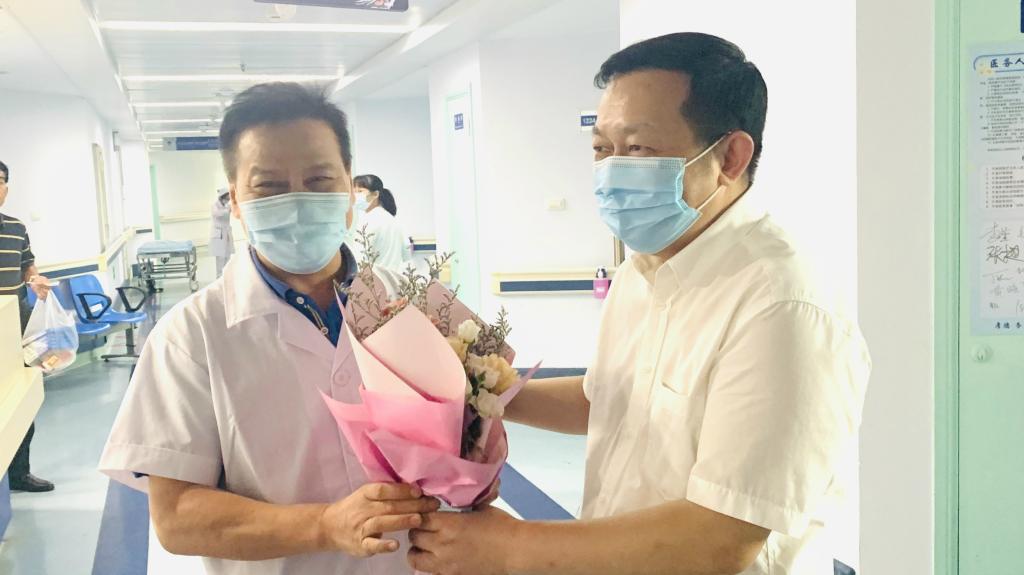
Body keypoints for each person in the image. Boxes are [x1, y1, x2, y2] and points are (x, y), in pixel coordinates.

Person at [407, 33, 870, 575]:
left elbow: (722, 538)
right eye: (602, 149)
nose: (611, 170)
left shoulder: (782, 305)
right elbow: (604, 402)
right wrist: (479, 392)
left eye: (638, 149)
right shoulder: (641, 272)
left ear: (730, 156)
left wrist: (510, 547)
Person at [98, 83, 439, 575]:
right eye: (270, 186)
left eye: (319, 180)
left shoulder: (414, 301)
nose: (297, 202)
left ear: (350, 190)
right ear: (236, 200)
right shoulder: (190, 337)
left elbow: (467, 435)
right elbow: (176, 518)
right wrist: (324, 525)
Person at [0, 160, 54, 493]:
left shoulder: (16, 228)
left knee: (22, 397)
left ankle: (20, 473)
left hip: (16, 320)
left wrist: (35, 280)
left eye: (0, 181)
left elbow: (27, 266)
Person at [350, 174, 412, 273]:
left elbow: (359, 259)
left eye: (360, 191)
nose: (355, 196)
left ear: (375, 194)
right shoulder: (394, 221)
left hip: (373, 280)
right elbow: (407, 256)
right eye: (354, 192)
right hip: (394, 279)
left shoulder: (367, 222)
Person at [209, 187, 234, 278]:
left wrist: (229, 209)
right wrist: (227, 210)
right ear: (222, 197)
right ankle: (219, 277)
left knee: (227, 255)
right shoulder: (214, 205)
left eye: (229, 199)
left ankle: (226, 276)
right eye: (227, 198)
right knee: (220, 257)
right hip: (218, 234)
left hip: (226, 233)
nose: (228, 200)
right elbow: (217, 214)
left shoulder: (227, 206)